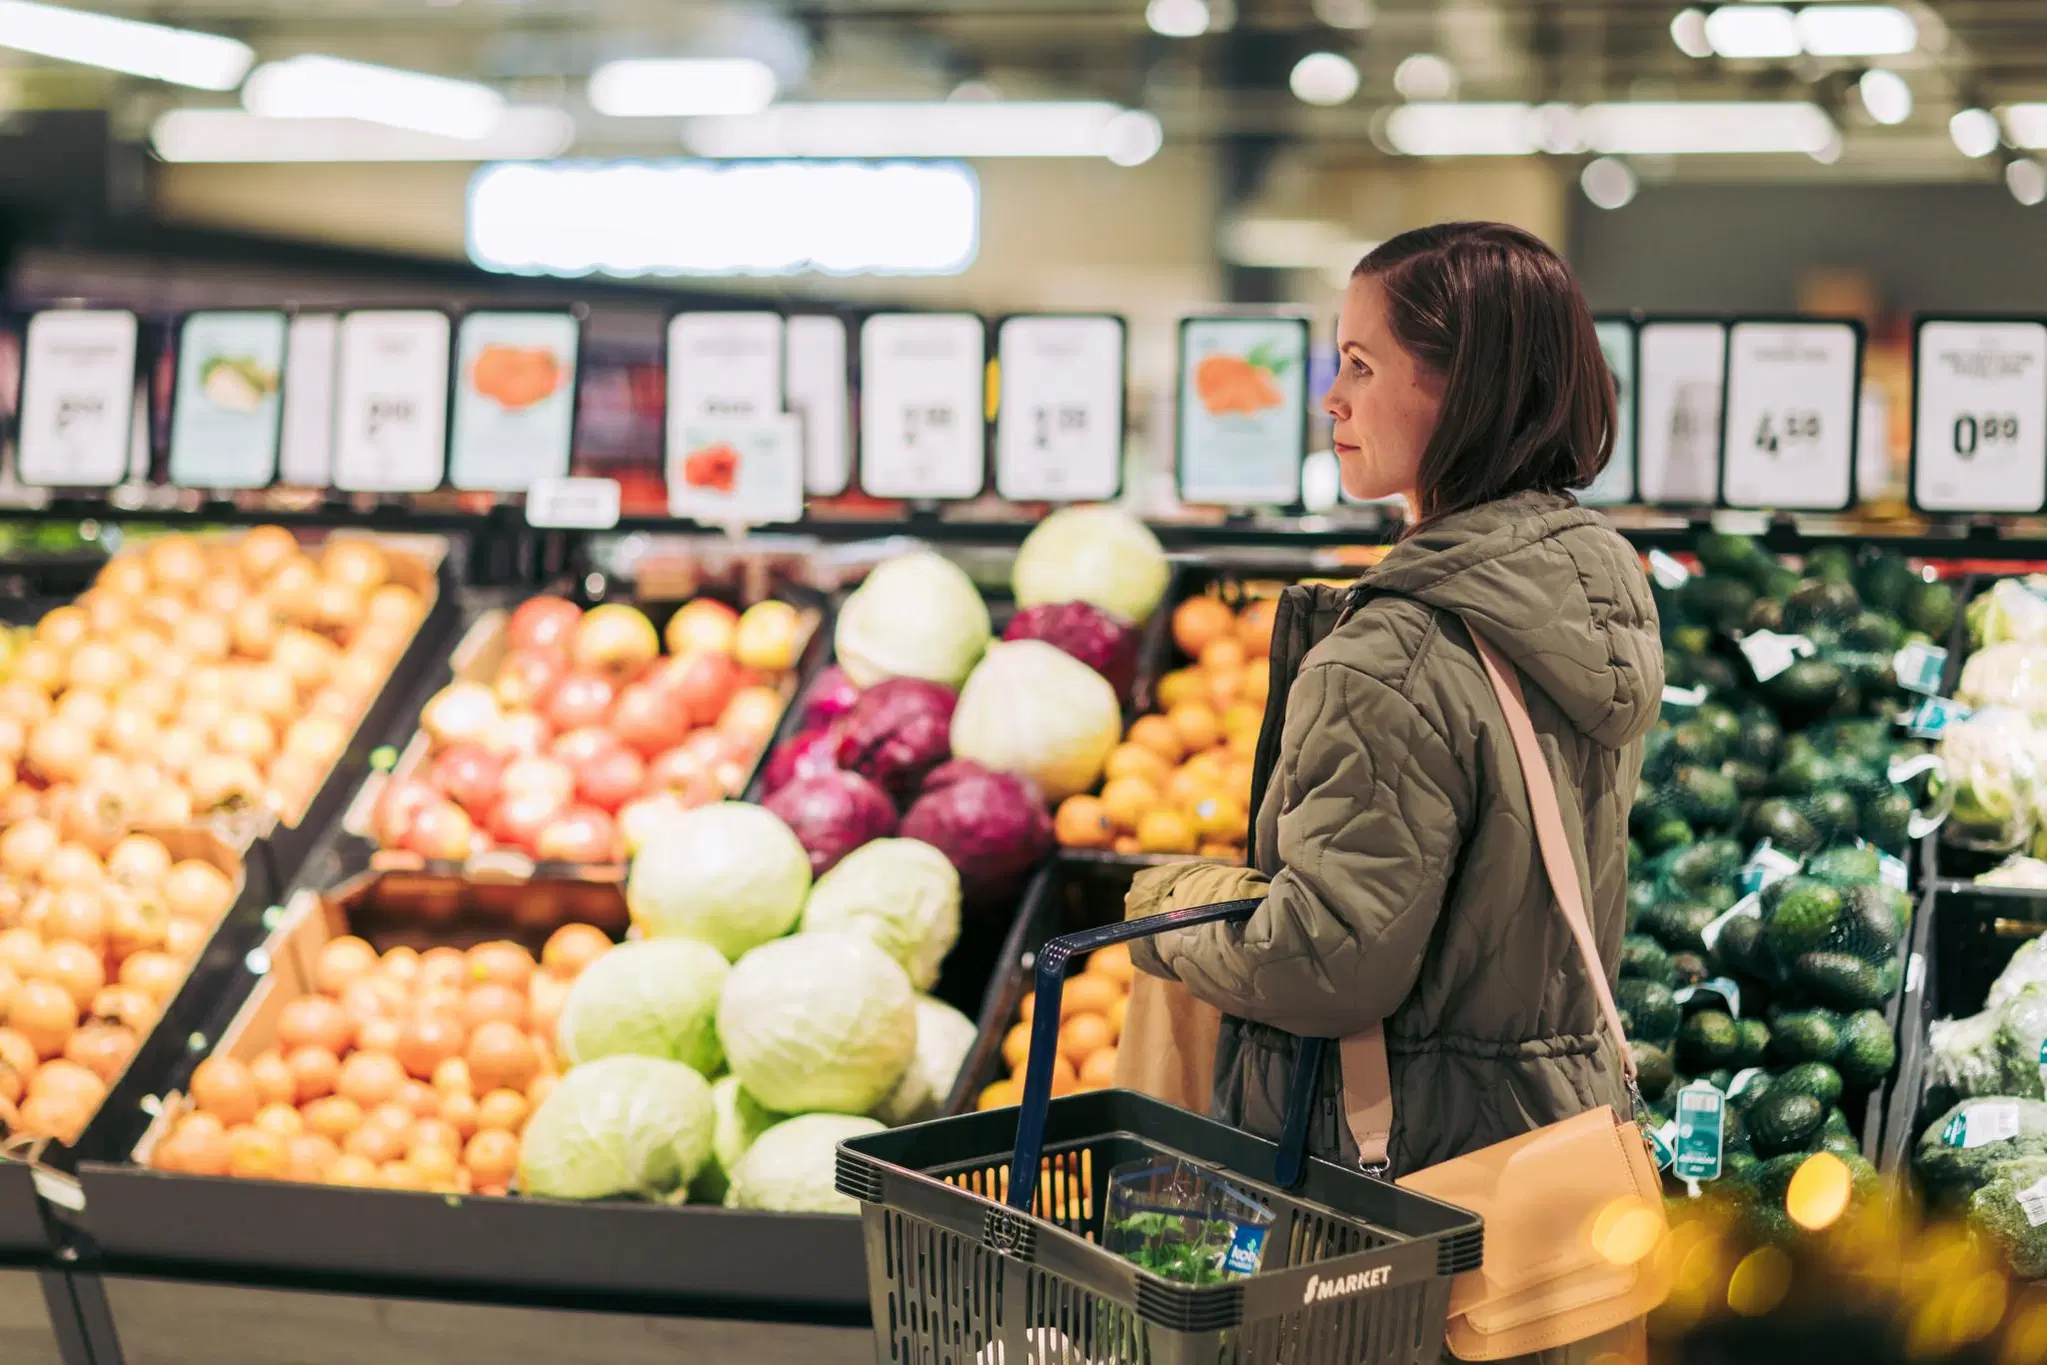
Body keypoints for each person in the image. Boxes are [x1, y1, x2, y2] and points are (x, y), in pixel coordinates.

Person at [1123, 222, 1663, 1355]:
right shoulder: (1585, 599)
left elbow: (1326, 962)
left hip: (1399, 1194)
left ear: (1460, 390)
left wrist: (1164, 907)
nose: (1329, 398)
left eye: (1360, 365)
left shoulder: (1393, 655)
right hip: (1548, 1158)